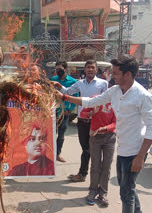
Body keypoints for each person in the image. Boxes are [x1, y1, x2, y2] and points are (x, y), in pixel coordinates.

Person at [56, 54, 152, 213]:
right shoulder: (115, 91)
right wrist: (65, 97)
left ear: (127, 75)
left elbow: (151, 127)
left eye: (115, 73)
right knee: (127, 186)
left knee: (126, 193)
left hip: (136, 151)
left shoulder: (142, 96)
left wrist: (141, 157)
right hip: (123, 149)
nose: (111, 75)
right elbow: (91, 101)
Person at [53, 60, 108, 182]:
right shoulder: (80, 83)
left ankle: (93, 177)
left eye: (92, 67)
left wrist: (96, 110)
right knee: (85, 148)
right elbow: (67, 92)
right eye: (88, 67)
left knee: (95, 150)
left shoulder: (103, 84)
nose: (90, 70)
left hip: (97, 121)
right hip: (82, 121)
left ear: (96, 69)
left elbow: (107, 102)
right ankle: (83, 174)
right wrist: (59, 86)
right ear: (85, 69)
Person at [81, 79, 116, 207]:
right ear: (108, 87)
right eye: (112, 88)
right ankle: (93, 191)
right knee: (95, 166)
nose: (114, 91)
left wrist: (105, 128)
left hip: (110, 138)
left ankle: (103, 193)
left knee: (106, 167)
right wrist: (92, 113)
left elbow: (115, 122)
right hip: (95, 138)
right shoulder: (96, 99)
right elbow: (82, 113)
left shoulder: (117, 103)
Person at [50, 61, 78, 162]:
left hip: (64, 112)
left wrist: (70, 110)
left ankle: (57, 154)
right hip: (53, 111)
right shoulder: (53, 80)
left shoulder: (72, 81)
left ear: (65, 69)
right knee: (51, 134)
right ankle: (49, 153)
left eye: (60, 69)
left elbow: (76, 97)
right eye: (56, 69)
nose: (58, 71)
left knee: (61, 134)